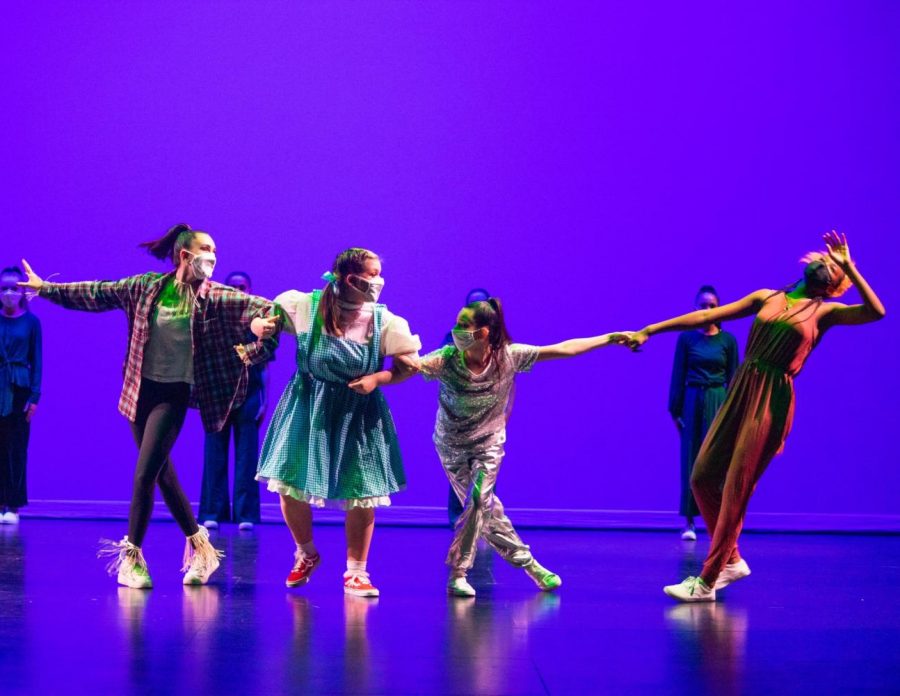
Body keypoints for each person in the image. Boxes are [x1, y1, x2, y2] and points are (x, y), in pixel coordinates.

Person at [624, 232, 885, 602]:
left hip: (772, 399)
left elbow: (877, 311)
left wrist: (851, 267)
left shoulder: (824, 313)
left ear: (834, 285)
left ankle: (707, 580)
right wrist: (651, 330)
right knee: (701, 477)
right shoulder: (768, 297)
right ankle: (730, 559)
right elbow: (708, 314)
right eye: (825, 260)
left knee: (736, 486)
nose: (827, 265)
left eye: (833, 268)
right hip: (743, 388)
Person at [18, 224, 278, 588]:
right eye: (206, 249)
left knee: (144, 474)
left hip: (174, 394)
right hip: (140, 391)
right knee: (163, 474)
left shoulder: (215, 296)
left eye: (216, 251)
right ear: (185, 254)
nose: (213, 257)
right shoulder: (146, 288)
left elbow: (263, 311)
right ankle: (203, 551)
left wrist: (257, 326)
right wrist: (46, 289)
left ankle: (132, 558)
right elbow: (96, 293)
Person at [417, 297, 628, 597]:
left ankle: (459, 572)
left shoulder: (508, 357)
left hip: (489, 442)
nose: (456, 330)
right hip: (451, 445)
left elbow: (563, 349)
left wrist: (608, 338)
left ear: (484, 332)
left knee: (479, 501)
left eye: (464, 325)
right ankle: (530, 565)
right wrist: (374, 375)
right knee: (488, 507)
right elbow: (409, 367)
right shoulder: (448, 358)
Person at [253, 247, 420, 597]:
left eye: (378, 273)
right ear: (349, 278)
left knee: (363, 492)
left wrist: (378, 379)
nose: (378, 281)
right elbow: (264, 319)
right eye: (372, 274)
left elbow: (408, 368)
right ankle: (306, 553)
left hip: (358, 413)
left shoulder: (385, 322)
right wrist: (260, 325)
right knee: (288, 482)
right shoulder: (303, 305)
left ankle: (356, 571)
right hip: (307, 405)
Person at [200, 271, 270, 531]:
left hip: (249, 395)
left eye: (242, 287)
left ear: (249, 289)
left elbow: (264, 367)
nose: (238, 290)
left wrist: (264, 400)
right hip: (217, 395)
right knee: (214, 454)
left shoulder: (260, 322)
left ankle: (246, 514)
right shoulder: (212, 318)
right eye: (232, 287)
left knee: (247, 458)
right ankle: (212, 511)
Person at [668, 286, 739, 540]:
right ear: (695, 308)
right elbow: (678, 374)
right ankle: (689, 522)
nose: (707, 310)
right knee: (691, 459)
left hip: (718, 398)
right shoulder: (687, 339)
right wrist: (675, 409)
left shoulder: (727, 341)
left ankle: (717, 521)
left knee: (717, 461)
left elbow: (734, 378)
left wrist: (734, 411)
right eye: (703, 305)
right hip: (692, 398)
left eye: (712, 305)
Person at [444, 287, 491, 527]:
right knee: (459, 471)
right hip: (460, 417)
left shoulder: (498, 339)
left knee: (484, 471)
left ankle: (481, 521)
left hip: (487, 418)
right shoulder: (454, 336)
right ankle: (458, 520)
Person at [0, 267, 41, 524]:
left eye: (14, 288)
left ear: (22, 291)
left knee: (16, 448)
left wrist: (34, 396)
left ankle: (13, 505)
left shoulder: (31, 322)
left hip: (19, 389)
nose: (8, 293)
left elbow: (37, 361)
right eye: (4, 288)